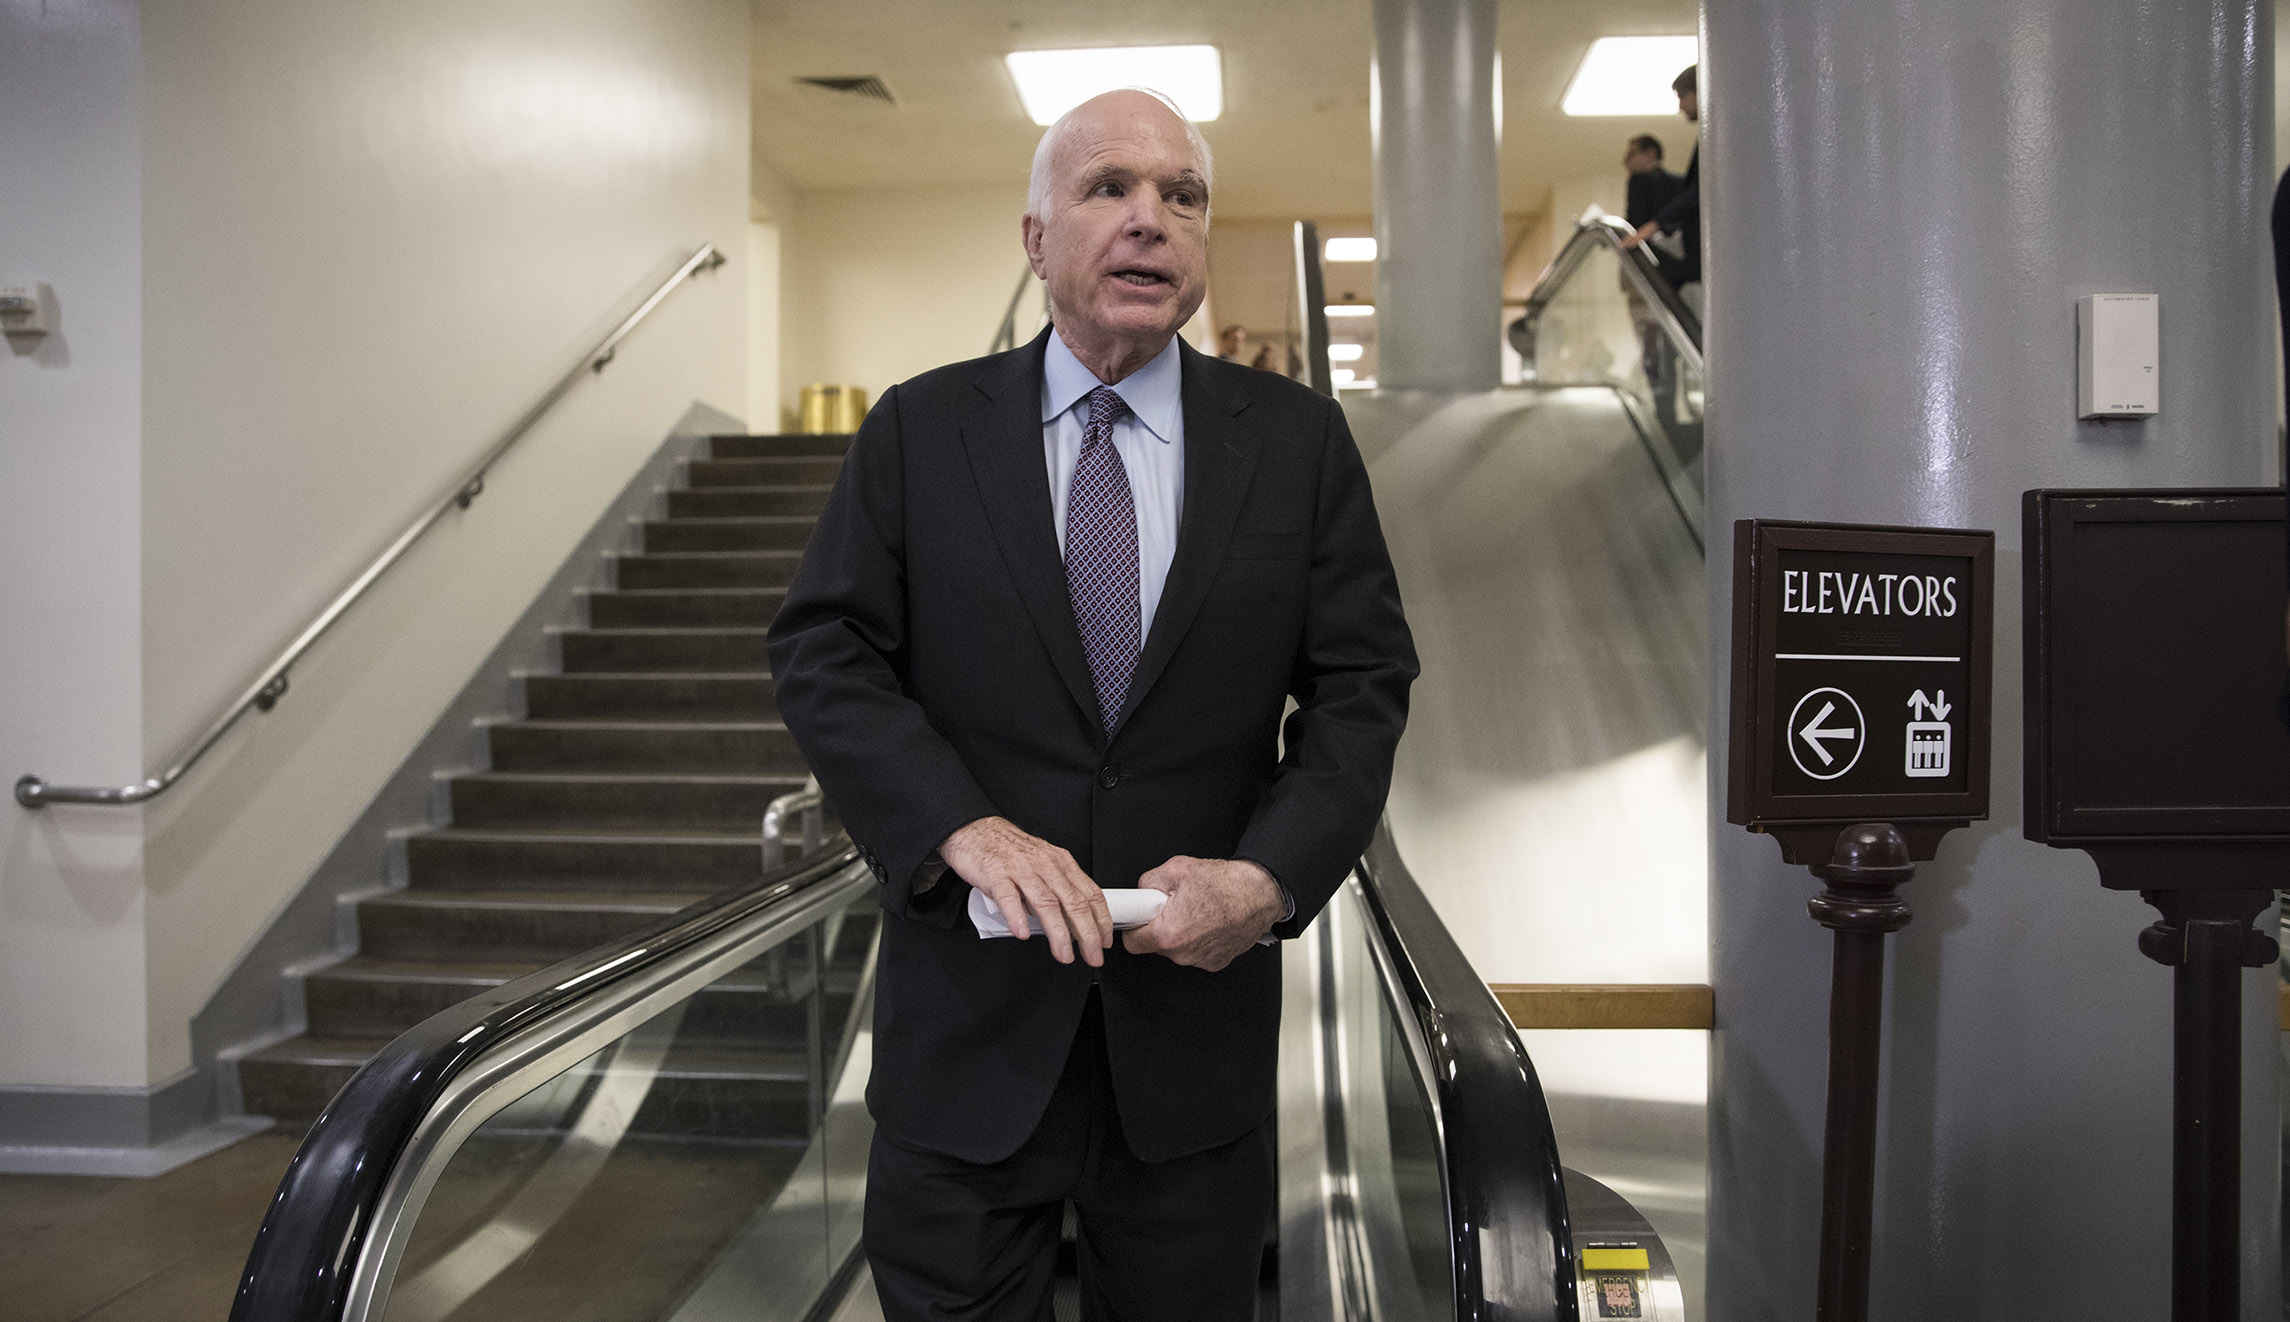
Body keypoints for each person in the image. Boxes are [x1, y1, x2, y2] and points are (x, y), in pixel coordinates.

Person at [765, 88, 1418, 1321]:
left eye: (1182, 195)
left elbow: (1361, 685)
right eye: (1108, 187)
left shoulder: (1297, 443)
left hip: (1192, 1053)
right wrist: (958, 826)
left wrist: (1268, 878)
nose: (1149, 219)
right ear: (1035, 237)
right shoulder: (920, 429)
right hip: (967, 1039)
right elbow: (824, 648)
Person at [1623, 65, 1702, 308]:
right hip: (1689, 271)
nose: (1680, 107)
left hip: (1677, 270)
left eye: (1682, 97)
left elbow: (1697, 193)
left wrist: (1654, 224)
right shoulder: (1678, 181)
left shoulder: (1640, 182)